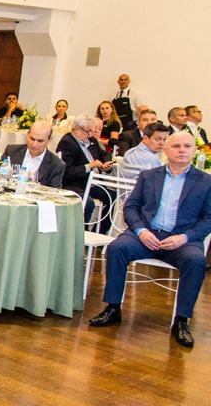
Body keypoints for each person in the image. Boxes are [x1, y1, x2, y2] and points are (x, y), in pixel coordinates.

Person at [88, 132, 211, 348]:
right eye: (176, 146)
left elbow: (208, 218)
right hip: (146, 234)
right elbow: (131, 207)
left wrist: (184, 237)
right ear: (166, 150)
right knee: (117, 248)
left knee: (196, 261)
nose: (181, 150)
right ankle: (113, 307)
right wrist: (141, 231)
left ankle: (181, 320)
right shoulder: (148, 176)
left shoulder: (206, 181)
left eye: (187, 146)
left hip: (182, 240)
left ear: (194, 151)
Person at [0, 120, 66, 187]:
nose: (34, 144)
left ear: (49, 140)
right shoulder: (11, 151)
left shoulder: (56, 165)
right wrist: (3, 173)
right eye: (32, 139)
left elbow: (54, 191)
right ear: (27, 134)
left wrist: (38, 188)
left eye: (40, 141)